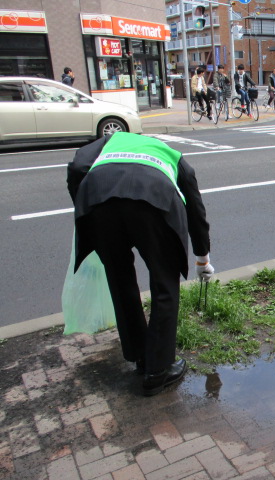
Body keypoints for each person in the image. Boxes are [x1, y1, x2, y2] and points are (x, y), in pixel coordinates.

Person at [67, 132, 214, 396]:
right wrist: (202, 258)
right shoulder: (169, 153)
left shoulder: (107, 142)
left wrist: (84, 207)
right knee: (164, 284)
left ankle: (140, 356)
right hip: (154, 201)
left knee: (119, 279)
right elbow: (195, 206)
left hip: (99, 201)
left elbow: (77, 168)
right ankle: (158, 371)